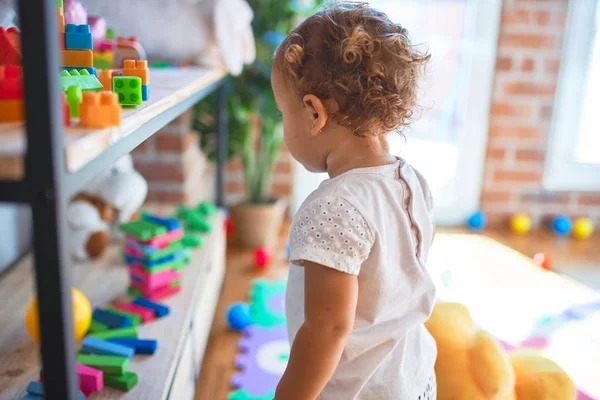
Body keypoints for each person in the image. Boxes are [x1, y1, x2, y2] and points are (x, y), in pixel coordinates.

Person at [271, 2, 437, 399]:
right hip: (413, 379)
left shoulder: (334, 208)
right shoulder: (410, 181)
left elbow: (327, 328)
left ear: (313, 113)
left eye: (283, 113)